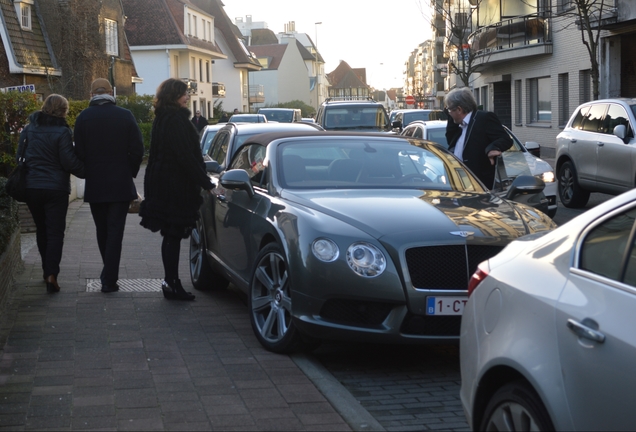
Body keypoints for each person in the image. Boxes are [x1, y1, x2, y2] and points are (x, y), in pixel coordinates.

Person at [139, 78, 213, 301]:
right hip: (174, 186)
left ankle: (170, 281)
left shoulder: (162, 118)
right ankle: (171, 283)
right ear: (174, 96)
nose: (187, 97)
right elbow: (185, 157)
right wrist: (207, 183)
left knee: (170, 235)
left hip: (162, 183)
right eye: (183, 93)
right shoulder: (175, 120)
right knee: (173, 235)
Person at [74, 78, 144, 293]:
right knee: (116, 231)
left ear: (92, 93)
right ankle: (109, 277)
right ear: (111, 92)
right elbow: (138, 149)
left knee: (102, 230)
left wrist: (89, 172)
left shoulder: (83, 117)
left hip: (96, 184)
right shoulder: (125, 115)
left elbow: (79, 153)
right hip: (120, 184)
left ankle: (108, 274)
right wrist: (129, 172)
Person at [18, 94, 85, 293]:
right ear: (63, 111)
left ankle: (45, 271)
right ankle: (51, 274)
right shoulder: (63, 132)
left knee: (42, 229)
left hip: (32, 187)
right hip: (56, 189)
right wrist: (89, 171)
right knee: (55, 232)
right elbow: (68, 162)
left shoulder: (29, 130)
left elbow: (19, 157)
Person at [444, 87, 512, 188]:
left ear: (459, 109)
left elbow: (506, 139)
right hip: (459, 182)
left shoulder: (484, 118)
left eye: (449, 109)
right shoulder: (458, 126)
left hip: (479, 183)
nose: (449, 113)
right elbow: (450, 141)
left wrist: (493, 148)